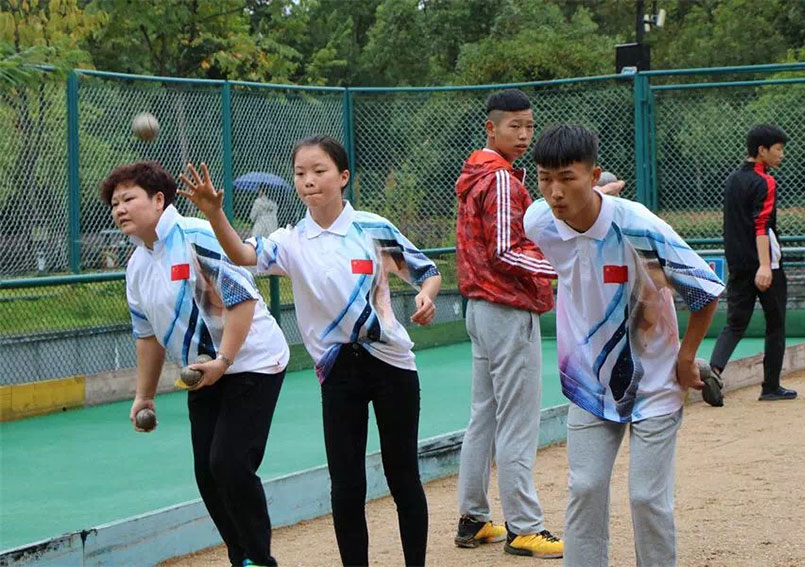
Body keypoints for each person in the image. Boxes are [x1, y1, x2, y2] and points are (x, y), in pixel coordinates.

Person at [179, 136, 442, 567]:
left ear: (343, 176)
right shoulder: (290, 240)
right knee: (346, 485)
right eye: (300, 173)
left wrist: (427, 296)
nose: (308, 180)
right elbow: (242, 254)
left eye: (319, 171)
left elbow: (427, 272)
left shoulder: (372, 228)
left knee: (403, 476)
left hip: (392, 365)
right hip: (337, 372)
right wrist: (214, 213)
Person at [523, 125, 724, 567]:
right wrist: (590, 194)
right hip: (588, 381)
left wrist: (686, 358)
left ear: (593, 176)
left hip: (656, 381)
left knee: (647, 498)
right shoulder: (538, 222)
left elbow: (705, 291)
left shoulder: (640, 227)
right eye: (544, 179)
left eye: (567, 178)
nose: (555, 192)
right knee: (585, 487)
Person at [453, 88, 625, 559]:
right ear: (491, 128)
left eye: (529, 125)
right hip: (507, 309)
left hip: (481, 308)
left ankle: (473, 518)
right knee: (517, 420)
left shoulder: (479, 174)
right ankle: (524, 528)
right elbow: (506, 251)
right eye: (515, 126)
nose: (525, 134)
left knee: (484, 415)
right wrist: (566, 267)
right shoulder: (503, 180)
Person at [101, 161, 288, 567]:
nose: (120, 209)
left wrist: (224, 359)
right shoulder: (137, 265)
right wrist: (144, 396)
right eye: (114, 204)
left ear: (158, 200)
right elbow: (147, 336)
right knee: (207, 474)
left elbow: (242, 300)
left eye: (128, 198)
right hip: (203, 373)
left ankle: (259, 559)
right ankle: (242, 558)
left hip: (251, 361)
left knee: (230, 463)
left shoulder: (195, 235)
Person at [710, 124, 797, 401]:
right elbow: (761, 225)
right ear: (762, 150)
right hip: (765, 264)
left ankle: (713, 373)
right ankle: (770, 387)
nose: (781, 155)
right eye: (778, 149)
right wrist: (765, 266)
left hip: (738, 263)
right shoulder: (765, 181)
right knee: (776, 324)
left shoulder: (732, 179)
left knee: (735, 323)